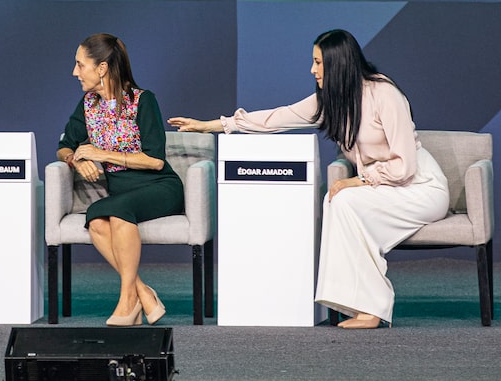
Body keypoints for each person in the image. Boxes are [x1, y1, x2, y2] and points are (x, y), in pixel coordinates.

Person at [168, 29, 449, 329]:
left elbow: (404, 165)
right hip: (383, 189)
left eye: (318, 62)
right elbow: (276, 118)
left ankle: (373, 307)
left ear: (337, 63)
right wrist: (212, 125)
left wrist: (358, 180)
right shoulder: (331, 100)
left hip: (420, 188)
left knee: (346, 200)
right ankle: (357, 303)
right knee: (338, 202)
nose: (312, 70)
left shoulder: (384, 94)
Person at [57, 33, 184, 327]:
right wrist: (76, 160)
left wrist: (102, 154)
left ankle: (128, 300)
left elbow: (155, 160)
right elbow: (64, 145)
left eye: (80, 65)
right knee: (97, 217)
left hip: (159, 187)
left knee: (116, 210)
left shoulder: (142, 100)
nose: (75, 72)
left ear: (101, 68)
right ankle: (142, 291)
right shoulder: (88, 105)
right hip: (124, 194)